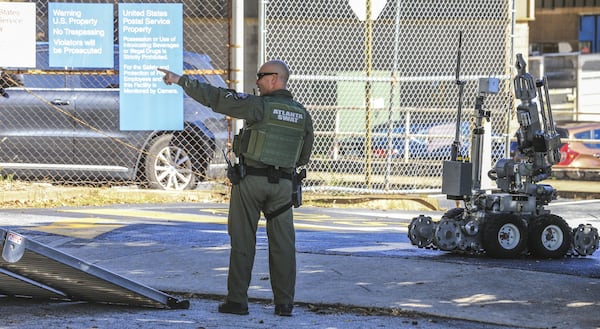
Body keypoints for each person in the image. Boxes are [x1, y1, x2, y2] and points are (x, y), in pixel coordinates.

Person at [158, 60, 314, 317]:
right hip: (284, 187)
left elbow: (218, 98)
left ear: (275, 79)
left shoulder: (259, 106)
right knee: (284, 246)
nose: (257, 81)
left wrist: (181, 81)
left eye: (261, 76)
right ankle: (284, 304)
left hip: (251, 182)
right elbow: (303, 156)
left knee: (243, 241)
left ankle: (237, 301)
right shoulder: (302, 115)